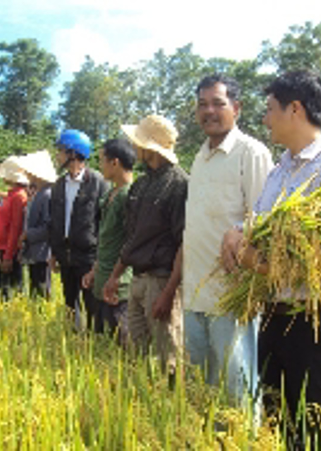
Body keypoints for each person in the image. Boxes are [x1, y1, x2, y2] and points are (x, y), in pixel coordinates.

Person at [221, 70, 321, 449]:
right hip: (273, 317)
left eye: (269, 109)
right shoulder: (281, 169)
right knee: (282, 425)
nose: (264, 119)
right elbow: (261, 223)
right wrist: (236, 231)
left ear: (294, 109)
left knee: (320, 433)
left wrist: (256, 263)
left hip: (312, 322)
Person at [183, 74, 274, 404]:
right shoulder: (200, 156)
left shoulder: (251, 153)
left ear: (236, 108)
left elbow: (264, 222)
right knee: (201, 393)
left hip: (231, 298)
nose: (209, 111)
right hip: (194, 296)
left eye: (218, 103)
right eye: (202, 104)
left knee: (237, 396)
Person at [104, 115, 188, 383]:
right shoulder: (141, 185)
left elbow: (183, 243)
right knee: (137, 353)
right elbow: (133, 238)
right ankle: (146, 401)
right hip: (138, 280)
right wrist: (115, 275)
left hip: (161, 281)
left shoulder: (179, 184)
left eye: (137, 142)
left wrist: (169, 291)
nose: (134, 147)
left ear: (150, 147)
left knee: (168, 357)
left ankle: (172, 410)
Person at [49, 130, 109, 330]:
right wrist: (53, 252)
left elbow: (104, 222)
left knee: (92, 305)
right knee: (69, 303)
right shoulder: (58, 186)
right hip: (65, 255)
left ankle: (94, 345)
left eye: (61, 151)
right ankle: (72, 342)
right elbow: (54, 221)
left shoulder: (98, 182)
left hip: (88, 256)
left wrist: (99, 258)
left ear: (73, 154)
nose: (58, 155)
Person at [81, 139, 135, 344]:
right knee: (100, 336)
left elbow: (129, 241)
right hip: (103, 276)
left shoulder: (128, 195)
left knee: (119, 337)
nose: (100, 165)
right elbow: (106, 239)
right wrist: (95, 270)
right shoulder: (111, 194)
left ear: (115, 163)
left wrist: (117, 276)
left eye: (102, 160)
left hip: (119, 282)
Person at [17, 150, 56, 300]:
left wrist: (28, 234)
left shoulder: (47, 194)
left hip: (43, 251)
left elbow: (48, 226)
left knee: (41, 289)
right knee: (35, 289)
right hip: (35, 251)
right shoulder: (39, 193)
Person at [0, 157, 29, 302]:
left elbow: (16, 227)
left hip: (12, 250)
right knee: (2, 290)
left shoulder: (18, 197)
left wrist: (9, 255)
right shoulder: (12, 195)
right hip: (5, 247)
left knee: (10, 289)